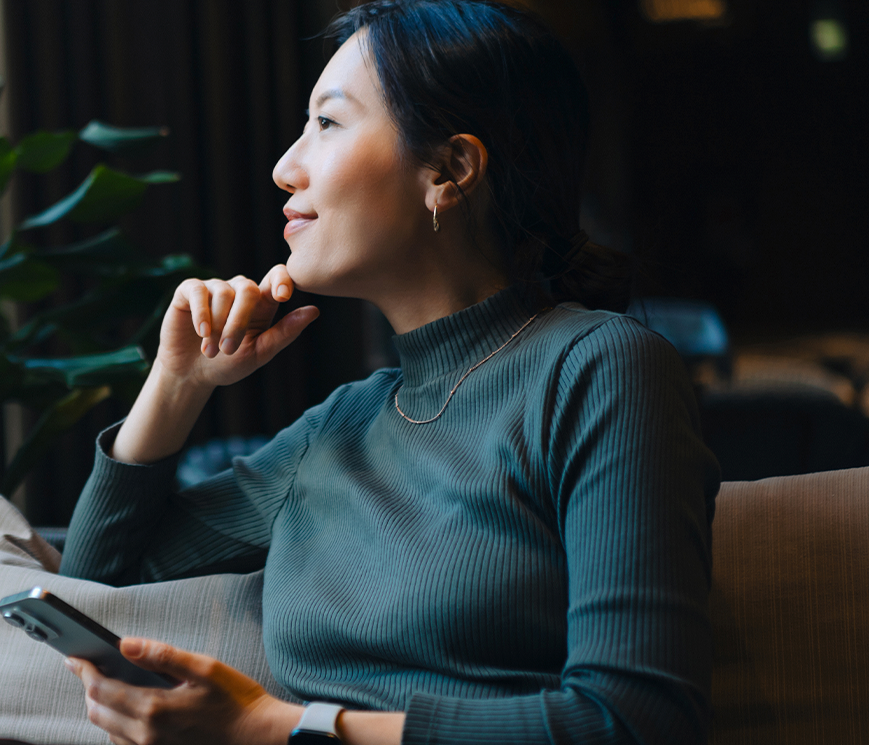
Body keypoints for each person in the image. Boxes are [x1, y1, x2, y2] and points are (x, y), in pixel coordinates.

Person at [56, 1, 721, 744]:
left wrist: (280, 729)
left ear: (449, 170)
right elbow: (96, 583)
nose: (285, 168)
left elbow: (638, 721)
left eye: (328, 123)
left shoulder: (599, 371)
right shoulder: (336, 430)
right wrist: (178, 384)